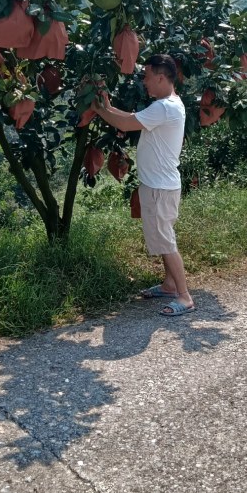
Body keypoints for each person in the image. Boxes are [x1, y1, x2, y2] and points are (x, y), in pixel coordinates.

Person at [95, 53, 194, 317]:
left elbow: (125, 124)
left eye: (148, 77)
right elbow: (132, 116)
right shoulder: (168, 104)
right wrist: (106, 105)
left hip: (160, 187)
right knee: (162, 239)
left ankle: (184, 296)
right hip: (160, 185)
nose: (144, 82)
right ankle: (170, 284)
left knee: (166, 240)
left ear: (161, 78)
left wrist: (97, 109)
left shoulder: (164, 107)